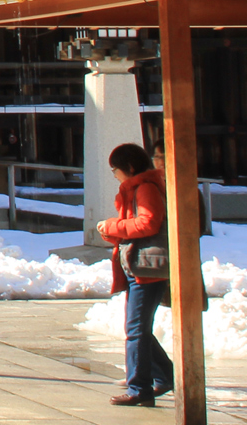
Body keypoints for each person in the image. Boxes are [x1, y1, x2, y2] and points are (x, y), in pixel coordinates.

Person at [96, 142, 172, 407]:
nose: (114, 174)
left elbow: (149, 222)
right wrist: (112, 229)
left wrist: (113, 225)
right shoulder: (135, 189)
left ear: (128, 167)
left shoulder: (145, 188)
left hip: (147, 267)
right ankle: (164, 376)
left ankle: (139, 387)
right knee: (138, 329)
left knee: (136, 330)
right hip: (137, 265)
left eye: (115, 169)